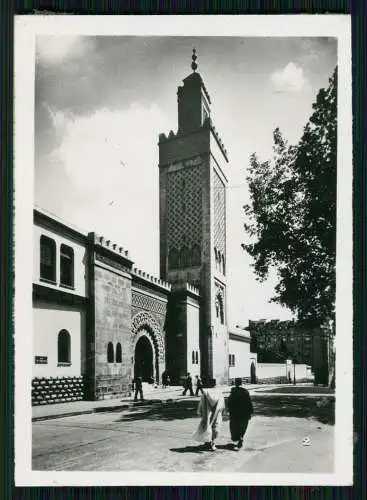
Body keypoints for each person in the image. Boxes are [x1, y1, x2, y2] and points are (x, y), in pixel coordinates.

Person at [227, 378, 253, 450]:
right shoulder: (245, 392)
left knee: (235, 426)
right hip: (244, 413)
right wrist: (250, 412)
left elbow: (229, 402)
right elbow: (249, 402)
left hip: (235, 414)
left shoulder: (233, 391)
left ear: (235, 383)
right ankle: (241, 437)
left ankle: (237, 439)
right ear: (241, 383)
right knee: (243, 426)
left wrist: (229, 411)